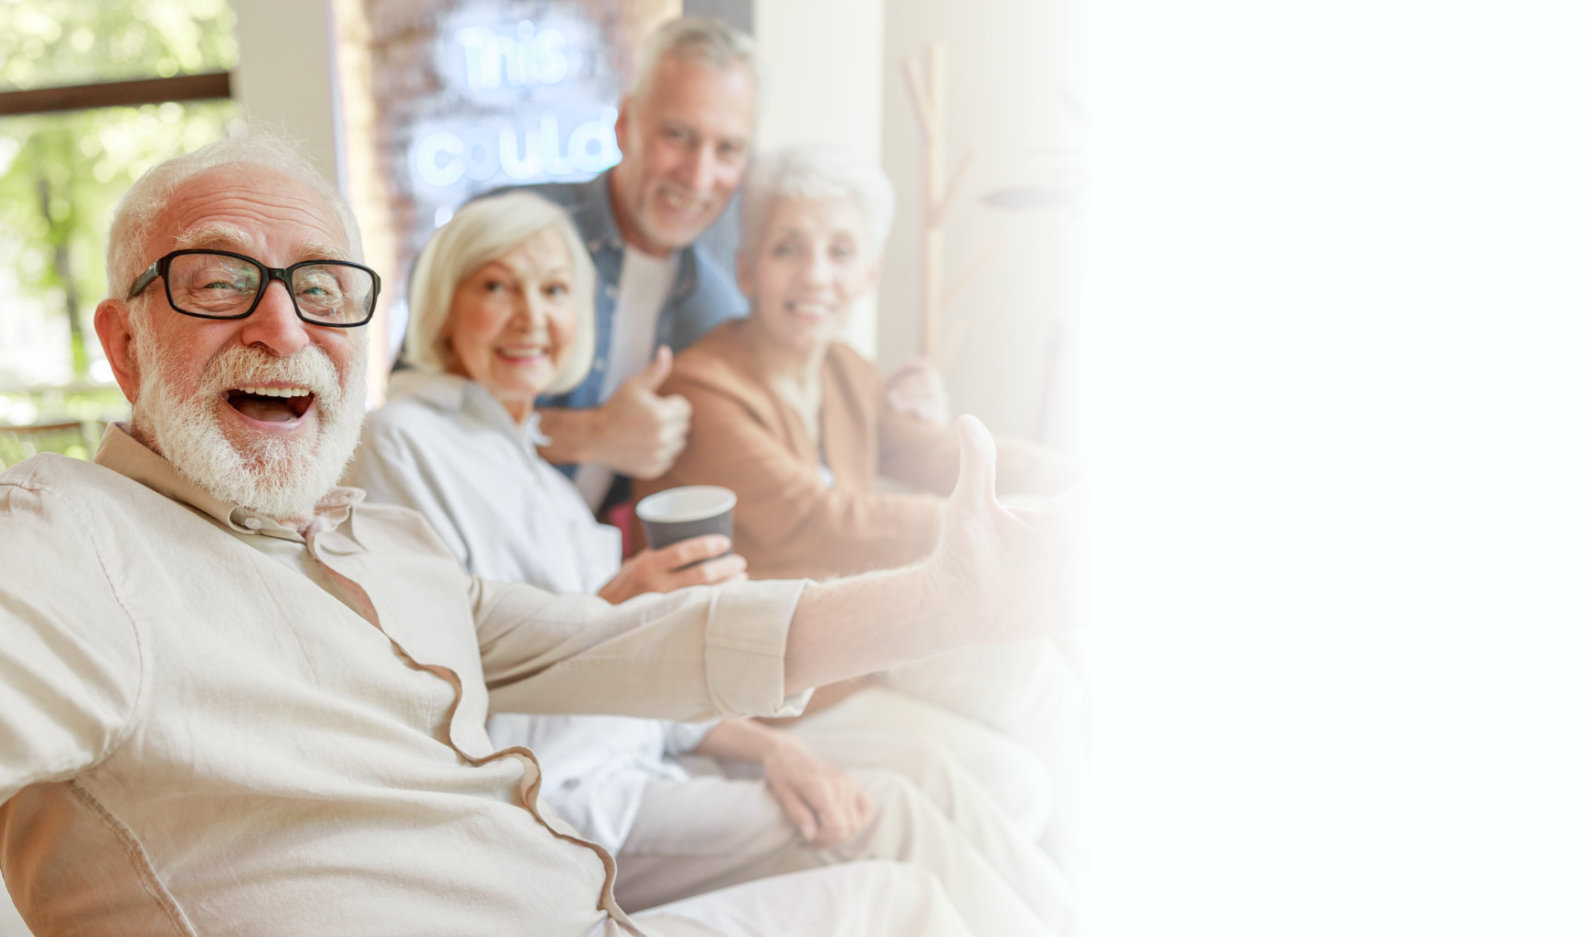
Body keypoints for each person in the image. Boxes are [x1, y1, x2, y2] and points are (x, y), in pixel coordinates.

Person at [0, 131, 1075, 937]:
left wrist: (946, 601)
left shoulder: (383, 542)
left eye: (322, 289)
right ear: (125, 342)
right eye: (220, 280)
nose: (281, 324)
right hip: (597, 831)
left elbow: (637, 642)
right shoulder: (76, 543)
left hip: (592, 900)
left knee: (911, 895)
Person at [345, 191, 1073, 936]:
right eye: (496, 286)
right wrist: (615, 601)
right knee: (887, 823)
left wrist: (771, 750)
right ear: (440, 306)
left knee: (904, 788)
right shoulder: (401, 441)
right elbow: (438, 676)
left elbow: (641, 685)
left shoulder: (539, 475)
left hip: (649, 758)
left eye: (555, 290)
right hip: (564, 798)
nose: (531, 316)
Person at [627, 143, 1091, 884]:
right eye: (788, 248)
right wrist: (1015, 517)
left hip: (861, 647)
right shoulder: (704, 389)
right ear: (747, 269)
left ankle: (1086, 874)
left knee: (1037, 669)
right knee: (1009, 782)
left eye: (840, 251)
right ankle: (1040, 896)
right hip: (774, 689)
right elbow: (824, 519)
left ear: (867, 273)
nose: (816, 274)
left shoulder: (845, 371)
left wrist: (1083, 480)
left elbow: (935, 450)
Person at [496, 17, 943, 522]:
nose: (699, 175)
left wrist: (904, 407)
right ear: (624, 127)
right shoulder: (516, 234)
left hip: (587, 581)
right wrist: (591, 434)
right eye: (678, 136)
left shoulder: (715, 304)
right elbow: (413, 414)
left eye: (727, 149)